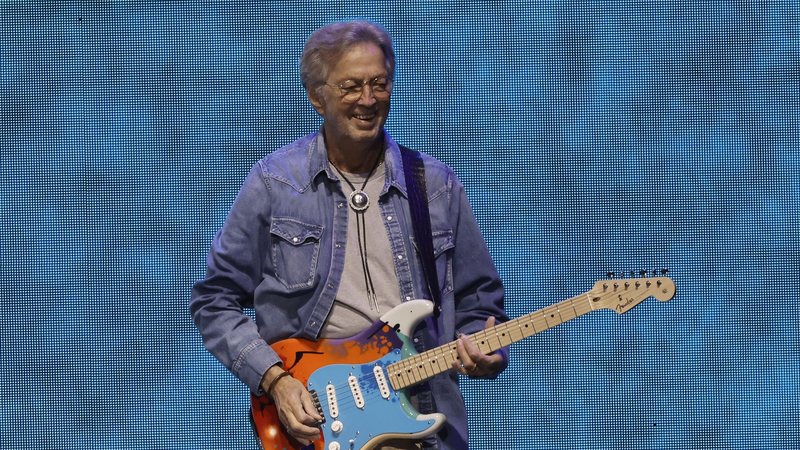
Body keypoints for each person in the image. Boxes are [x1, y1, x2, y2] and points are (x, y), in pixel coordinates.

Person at [190, 20, 508, 449]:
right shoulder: (275, 183)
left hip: (425, 420)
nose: (368, 99)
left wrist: (487, 352)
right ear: (317, 97)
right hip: (321, 424)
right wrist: (276, 381)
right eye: (351, 86)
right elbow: (214, 300)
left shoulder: (435, 185)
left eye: (379, 83)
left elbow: (478, 300)